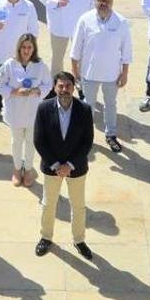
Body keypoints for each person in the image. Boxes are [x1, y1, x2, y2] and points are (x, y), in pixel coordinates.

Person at [34, 72, 96, 260]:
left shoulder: (84, 110)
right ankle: (46, 237)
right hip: (51, 167)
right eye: (60, 86)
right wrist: (56, 165)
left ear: (73, 87)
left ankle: (79, 240)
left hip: (76, 168)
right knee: (48, 204)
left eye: (68, 86)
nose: (64, 90)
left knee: (78, 206)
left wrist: (69, 165)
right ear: (54, 87)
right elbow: (39, 140)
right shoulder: (44, 108)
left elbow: (87, 141)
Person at [70, 0, 133, 151]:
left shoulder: (121, 22)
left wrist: (124, 73)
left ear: (112, 1)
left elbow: (126, 50)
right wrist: (75, 71)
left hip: (112, 75)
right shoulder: (85, 19)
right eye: (100, 0)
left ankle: (111, 135)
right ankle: (85, 136)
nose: (103, 3)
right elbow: (76, 47)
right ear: (94, 1)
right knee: (87, 106)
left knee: (110, 105)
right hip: (88, 73)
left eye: (107, 0)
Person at [0, 34, 51, 186]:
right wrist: (14, 92)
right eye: (24, 47)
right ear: (19, 48)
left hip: (33, 112)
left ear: (34, 49)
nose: (26, 51)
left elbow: (48, 84)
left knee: (31, 142)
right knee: (16, 142)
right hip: (15, 111)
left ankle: (28, 169)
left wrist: (37, 91)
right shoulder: (9, 64)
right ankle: (16, 168)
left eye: (29, 47)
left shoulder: (40, 66)